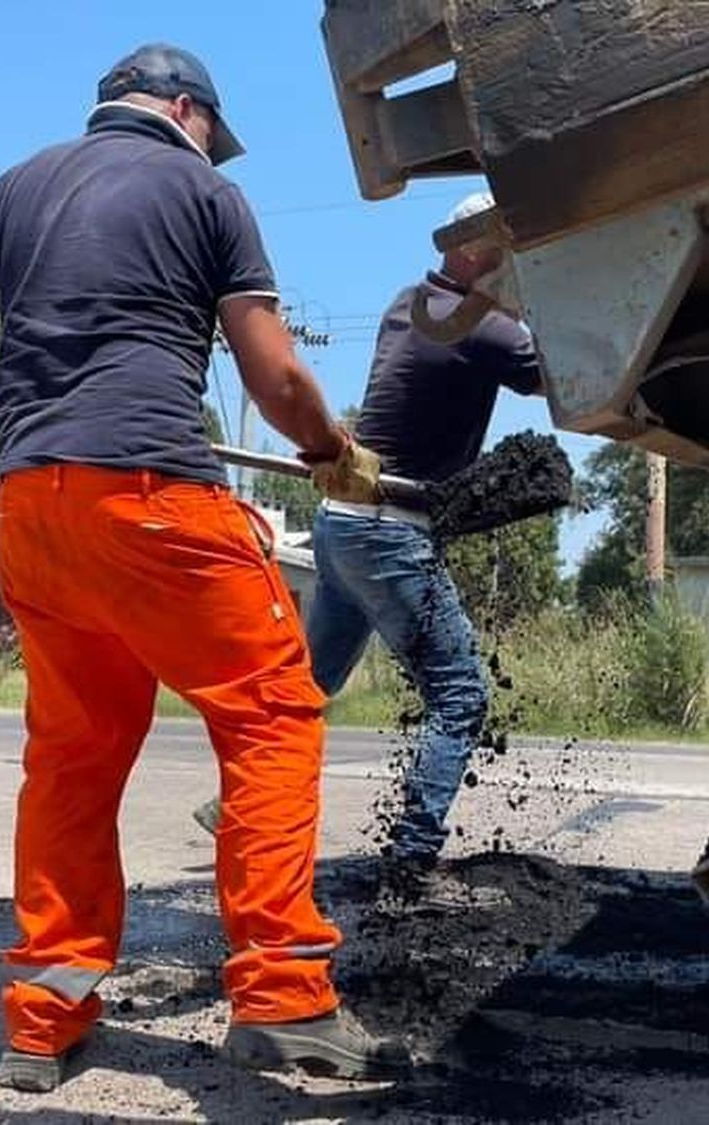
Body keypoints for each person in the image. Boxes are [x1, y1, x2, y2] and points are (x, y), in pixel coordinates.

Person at [0, 43, 406, 1093]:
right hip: (153, 501)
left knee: (75, 755)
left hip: (33, 507)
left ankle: (45, 1017)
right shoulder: (202, 188)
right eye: (217, 131)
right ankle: (283, 996)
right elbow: (275, 370)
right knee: (271, 713)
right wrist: (331, 455)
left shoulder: (20, 185)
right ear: (187, 109)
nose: (220, 148)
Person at [195, 193, 544, 889]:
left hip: (343, 525)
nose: (520, 273)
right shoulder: (486, 329)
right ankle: (412, 859)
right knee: (460, 695)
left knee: (308, 686)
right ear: (477, 253)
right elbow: (559, 376)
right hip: (393, 531)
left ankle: (236, 803)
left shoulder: (403, 301)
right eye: (513, 256)